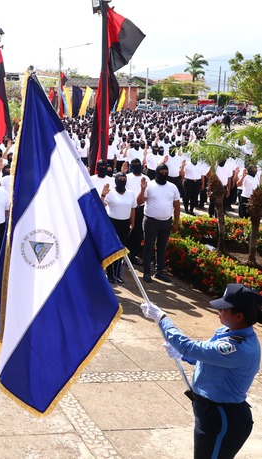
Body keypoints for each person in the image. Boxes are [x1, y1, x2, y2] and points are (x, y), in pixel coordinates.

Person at [141, 284, 262, 459]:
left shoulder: (237, 347)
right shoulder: (227, 332)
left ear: (238, 316)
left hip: (222, 419)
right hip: (210, 414)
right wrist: (183, 357)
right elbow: (210, 360)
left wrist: (162, 318)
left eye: (223, 309)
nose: (217, 311)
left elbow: (188, 346)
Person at [137, 164, 180, 283]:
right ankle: (146, 272)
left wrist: (176, 222)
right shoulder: (149, 185)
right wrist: (142, 189)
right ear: (157, 172)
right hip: (151, 221)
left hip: (166, 222)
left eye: (166, 172)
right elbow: (139, 202)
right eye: (162, 172)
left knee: (162, 247)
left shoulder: (172, 187)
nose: (164, 174)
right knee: (148, 247)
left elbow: (176, 206)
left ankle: (159, 272)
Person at [101, 173, 136, 284]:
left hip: (125, 224)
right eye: (120, 179)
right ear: (116, 180)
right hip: (112, 223)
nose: (122, 180)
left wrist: (132, 223)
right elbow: (101, 207)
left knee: (121, 250)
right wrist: (103, 195)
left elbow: (133, 209)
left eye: (124, 179)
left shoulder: (130, 193)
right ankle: (110, 274)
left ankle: (117, 274)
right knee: (112, 249)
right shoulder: (110, 193)